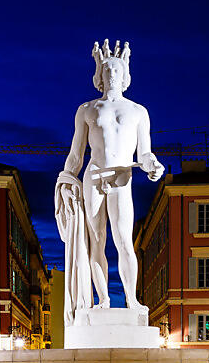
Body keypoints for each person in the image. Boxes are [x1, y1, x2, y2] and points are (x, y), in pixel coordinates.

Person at [56, 40, 165, 323]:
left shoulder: (139, 112)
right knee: (96, 241)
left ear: (125, 75)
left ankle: (132, 299)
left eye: (116, 70)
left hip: (121, 177)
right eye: (107, 70)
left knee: (124, 241)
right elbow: (76, 155)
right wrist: (67, 179)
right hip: (93, 175)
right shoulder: (87, 109)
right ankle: (103, 299)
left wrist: (153, 165)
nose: (112, 74)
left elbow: (145, 152)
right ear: (99, 76)